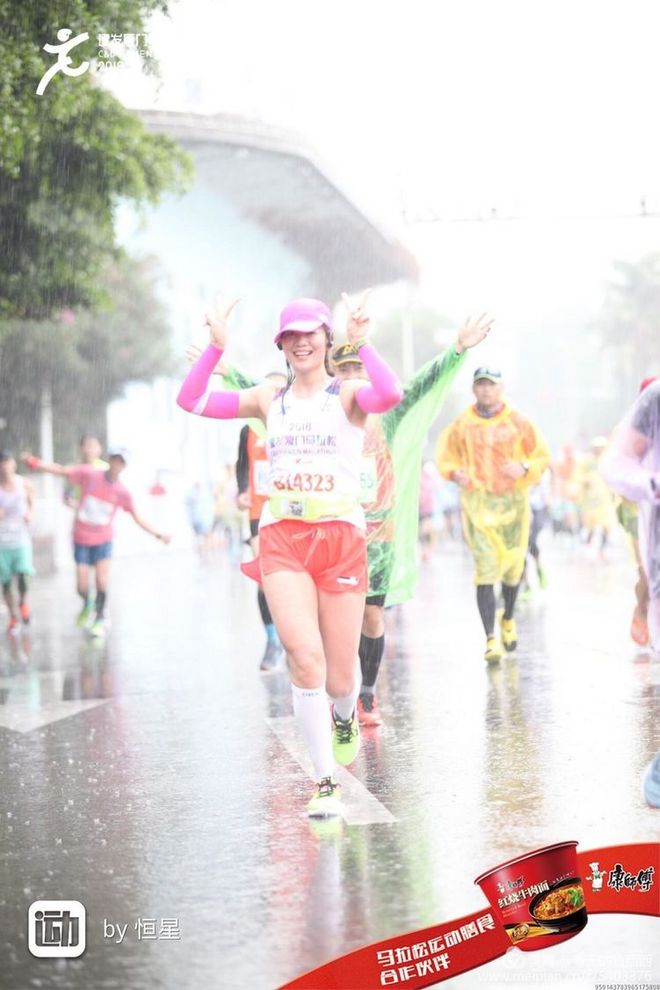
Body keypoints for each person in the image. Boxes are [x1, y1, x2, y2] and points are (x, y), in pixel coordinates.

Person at [176, 293, 402, 816]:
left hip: (342, 540)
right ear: (281, 345)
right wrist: (214, 350)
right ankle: (325, 781)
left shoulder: (349, 395)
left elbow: (389, 394)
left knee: (340, 678)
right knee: (305, 660)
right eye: (291, 336)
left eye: (311, 334)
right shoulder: (266, 398)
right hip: (284, 538)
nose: (302, 343)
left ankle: (344, 714)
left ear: (326, 339)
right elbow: (191, 401)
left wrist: (363, 341)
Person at [330, 313, 493, 724]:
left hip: (377, 531)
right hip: (331, 530)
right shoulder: (320, 411)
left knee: (370, 615)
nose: (352, 374)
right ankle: (336, 690)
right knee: (331, 617)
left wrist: (457, 348)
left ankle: (366, 691)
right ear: (332, 371)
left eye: (358, 368)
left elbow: (419, 385)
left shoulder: (387, 413)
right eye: (344, 368)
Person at [436, 368, 551, 663]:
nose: (486, 390)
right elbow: (446, 457)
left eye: (491, 385)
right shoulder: (462, 425)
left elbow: (541, 456)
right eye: (480, 385)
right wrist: (455, 473)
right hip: (477, 506)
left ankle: (508, 619)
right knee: (485, 569)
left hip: (513, 506)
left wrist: (524, 468)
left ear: (501, 388)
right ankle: (490, 638)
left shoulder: (518, 422)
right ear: (473, 389)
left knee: (513, 569)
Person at [22, 447, 170, 637]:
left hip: (103, 540)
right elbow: (62, 471)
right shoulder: (90, 474)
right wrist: (36, 463)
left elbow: (137, 517)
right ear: (109, 460)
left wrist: (159, 534)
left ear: (124, 466)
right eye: (114, 460)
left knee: (101, 580)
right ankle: (87, 603)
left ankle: (99, 618)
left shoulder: (122, 492)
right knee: (81, 586)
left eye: (121, 462)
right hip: (81, 537)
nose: (116, 465)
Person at [600, 376, 660, 654]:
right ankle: (644, 607)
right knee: (646, 575)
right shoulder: (638, 419)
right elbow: (617, 466)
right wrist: (647, 486)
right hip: (638, 513)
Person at [236, 372, 288, 672]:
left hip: (292, 510)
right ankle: (272, 640)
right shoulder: (250, 428)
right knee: (264, 575)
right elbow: (242, 464)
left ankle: (296, 635)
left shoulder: (299, 424)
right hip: (259, 510)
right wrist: (243, 489)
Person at [0, 452, 35, 633]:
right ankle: (13, 616)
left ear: (13, 464)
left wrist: (30, 512)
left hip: (21, 540)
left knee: (23, 576)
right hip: (2, 544)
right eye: (1, 464)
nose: (5, 467)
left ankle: (22, 602)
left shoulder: (24, 484)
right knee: (5, 582)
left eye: (7, 462)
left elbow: (31, 500)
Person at [63, 434, 108, 508]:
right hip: (79, 514)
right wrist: (76, 504)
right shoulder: (73, 468)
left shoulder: (106, 469)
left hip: (101, 514)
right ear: (80, 448)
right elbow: (66, 494)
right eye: (87, 445)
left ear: (100, 449)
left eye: (93, 446)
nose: (90, 450)